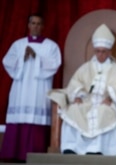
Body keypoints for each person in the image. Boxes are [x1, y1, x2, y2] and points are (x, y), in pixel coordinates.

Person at [47, 24, 116, 155]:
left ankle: (97, 149)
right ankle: (71, 148)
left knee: (103, 113)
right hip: (87, 101)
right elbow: (75, 83)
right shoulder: (86, 67)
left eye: (103, 51)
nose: (100, 55)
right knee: (73, 109)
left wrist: (110, 97)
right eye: (97, 51)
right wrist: (78, 95)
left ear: (109, 51)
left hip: (106, 102)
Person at [0, 13, 62, 162]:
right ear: (28, 25)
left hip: (39, 89)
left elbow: (55, 64)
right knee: (18, 118)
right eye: (33, 23)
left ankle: (34, 154)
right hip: (20, 88)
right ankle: (12, 154)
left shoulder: (51, 46)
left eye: (39, 24)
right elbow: (7, 61)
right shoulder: (18, 44)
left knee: (36, 120)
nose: (36, 26)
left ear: (43, 26)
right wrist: (22, 58)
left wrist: (37, 57)